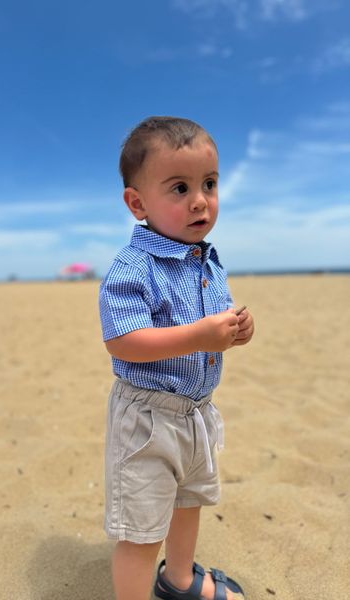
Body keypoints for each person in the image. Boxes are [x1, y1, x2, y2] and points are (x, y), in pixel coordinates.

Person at [99, 116, 254, 600]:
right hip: (147, 419)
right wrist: (200, 336)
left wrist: (234, 329)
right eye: (180, 187)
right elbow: (122, 340)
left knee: (190, 502)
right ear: (138, 203)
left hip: (196, 412)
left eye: (209, 184)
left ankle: (180, 579)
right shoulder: (134, 266)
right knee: (141, 529)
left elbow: (211, 322)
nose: (200, 200)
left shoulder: (206, 257)